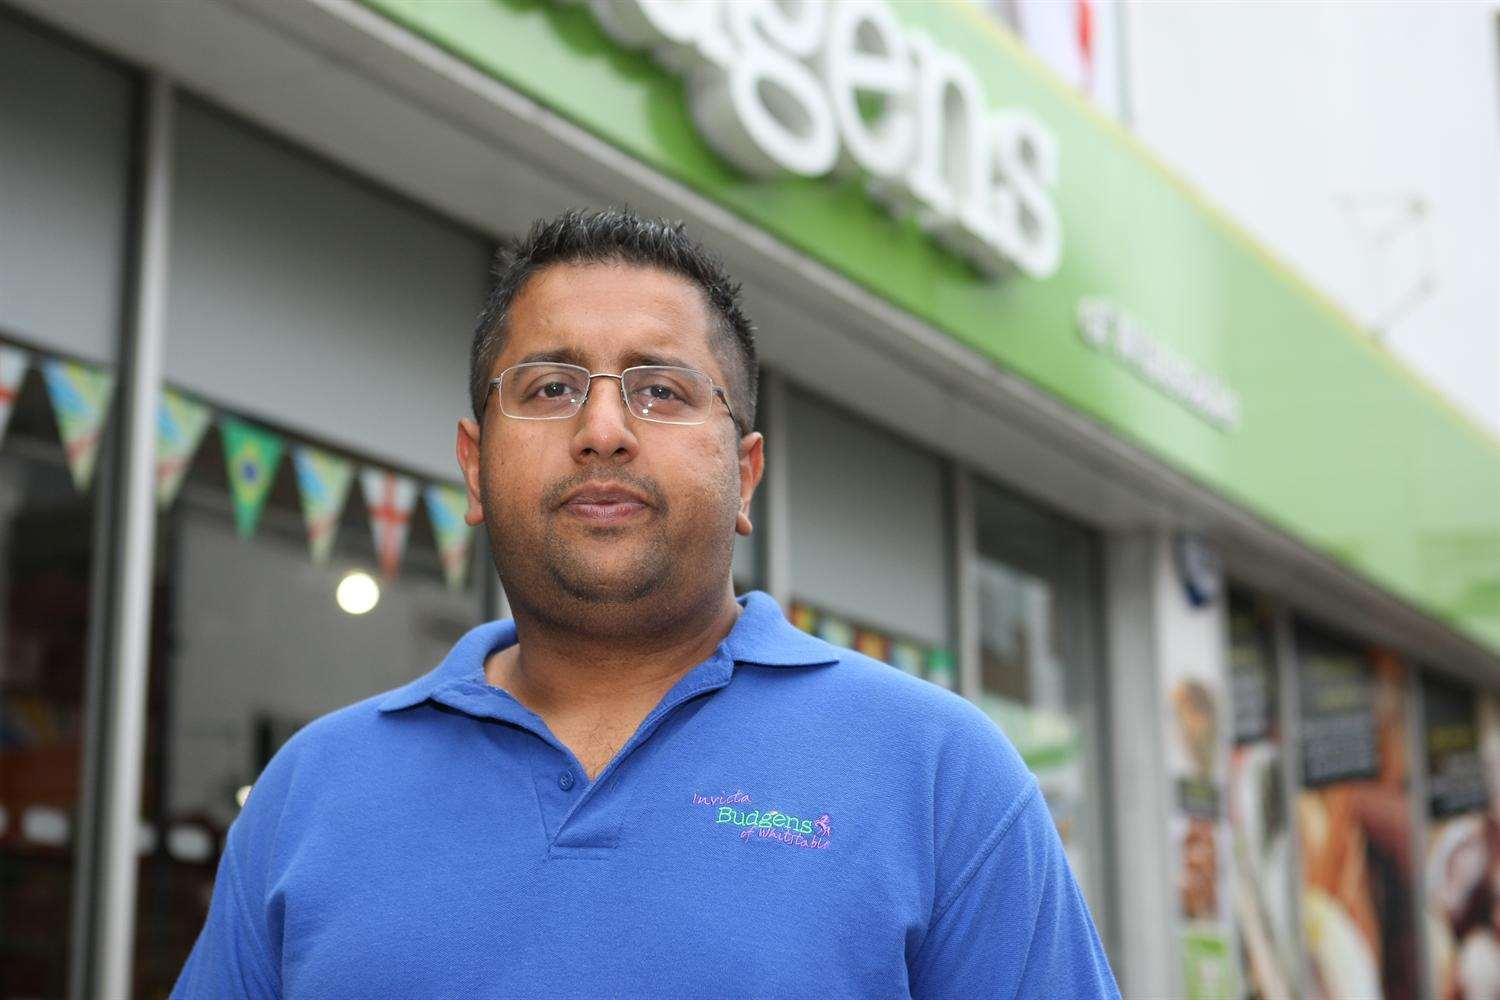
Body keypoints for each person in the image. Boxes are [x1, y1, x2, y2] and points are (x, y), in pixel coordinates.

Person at [170, 208, 1120, 998]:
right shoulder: (312, 792)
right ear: (473, 464)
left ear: (745, 475)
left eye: (661, 391)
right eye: (550, 386)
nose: (603, 430)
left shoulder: (941, 775)